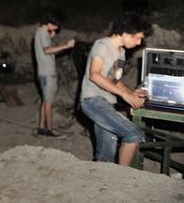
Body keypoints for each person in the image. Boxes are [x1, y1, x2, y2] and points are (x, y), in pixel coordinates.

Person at [79, 13, 152, 166]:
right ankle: (122, 178)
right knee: (133, 134)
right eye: (137, 38)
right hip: (93, 100)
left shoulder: (121, 52)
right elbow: (95, 75)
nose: (139, 42)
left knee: (106, 154)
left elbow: (114, 79)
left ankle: (102, 185)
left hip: (105, 103)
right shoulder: (102, 45)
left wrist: (131, 92)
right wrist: (124, 94)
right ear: (126, 32)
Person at [33, 14, 75, 137]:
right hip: (47, 73)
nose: (56, 28)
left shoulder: (41, 33)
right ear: (50, 23)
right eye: (55, 26)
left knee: (45, 100)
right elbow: (47, 51)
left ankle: (41, 128)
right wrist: (66, 46)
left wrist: (53, 40)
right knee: (49, 102)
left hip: (43, 72)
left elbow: (47, 51)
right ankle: (50, 130)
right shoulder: (42, 33)